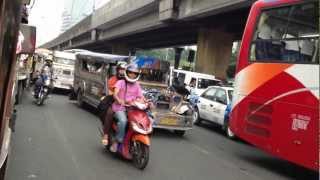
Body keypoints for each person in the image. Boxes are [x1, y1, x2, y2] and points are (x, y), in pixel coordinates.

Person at [110, 63, 144, 152]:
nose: (132, 75)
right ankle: (117, 141)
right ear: (127, 73)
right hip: (120, 107)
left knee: (145, 119)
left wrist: (146, 102)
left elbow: (141, 97)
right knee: (123, 121)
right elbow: (115, 94)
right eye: (130, 73)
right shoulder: (120, 82)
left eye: (134, 73)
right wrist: (118, 99)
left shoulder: (137, 85)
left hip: (133, 108)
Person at [101, 62, 126, 145]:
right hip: (113, 100)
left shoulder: (130, 81)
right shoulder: (113, 80)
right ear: (117, 71)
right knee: (109, 113)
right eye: (121, 70)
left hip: (127, 102)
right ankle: (106, 134)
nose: (122, 72)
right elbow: (113, 91)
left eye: (124, 70)